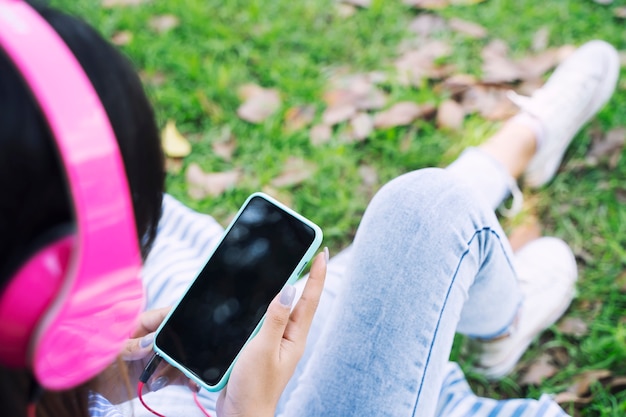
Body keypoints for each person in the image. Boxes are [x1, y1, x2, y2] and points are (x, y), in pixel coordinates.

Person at [0, 2, 619, 417]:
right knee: (425, 214)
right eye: (130, 230)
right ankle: (499, 308)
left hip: (197, 366)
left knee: (307, 300)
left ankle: (518, 149)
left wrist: (96, 377)